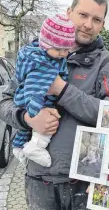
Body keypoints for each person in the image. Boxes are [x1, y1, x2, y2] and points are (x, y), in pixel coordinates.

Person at [0, 0, 109, 210]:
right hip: (40, 179)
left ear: (103, 24)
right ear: (69, 13)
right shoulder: (34, 54)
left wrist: (62, 89)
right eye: (83, 15)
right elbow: (5, 103)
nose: (88, 24)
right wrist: (27, 119)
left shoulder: (108, 63)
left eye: (97, 19)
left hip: (88, 183)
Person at [12, 14, 75, 167]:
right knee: (49, 124)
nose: (62, 54)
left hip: (31, 99)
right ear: (45, 44)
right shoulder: (43, 66)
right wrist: (36, 113)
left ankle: (18, 147)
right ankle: (36, 148)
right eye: (58, 49)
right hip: (36, 101)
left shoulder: (41, 56)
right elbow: (34, 89)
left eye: (66, 49)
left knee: (24, 131)